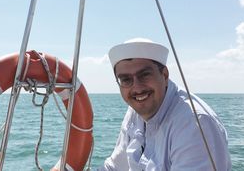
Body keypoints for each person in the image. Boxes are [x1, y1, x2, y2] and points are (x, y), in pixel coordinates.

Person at [97, 38, 231, 170]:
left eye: (144, 75)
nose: (137, 88)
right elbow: (115, 166)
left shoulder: (195, 124)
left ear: (165, 75)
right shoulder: (135, 111)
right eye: (126, 79)